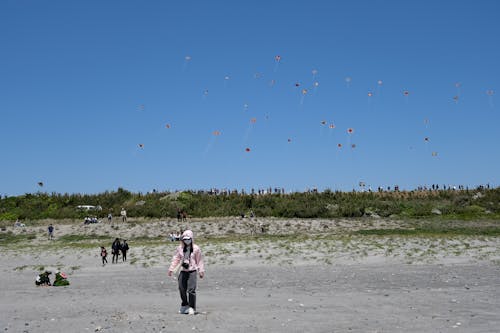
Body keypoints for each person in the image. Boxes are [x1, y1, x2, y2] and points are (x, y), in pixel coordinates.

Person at [168, 230, 205, 315]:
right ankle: (184, 305)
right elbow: (176, 259)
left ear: (191, 239)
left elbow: (199, 260)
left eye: (188, 239)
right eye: (185, 239)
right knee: (181, 288)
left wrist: (201, 271)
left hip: (192, 271)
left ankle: (192, 307)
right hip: (183, 271)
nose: (186, 240)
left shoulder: (196, 248)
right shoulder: (180, 248)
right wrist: (171, 269)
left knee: (191, 290)